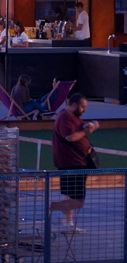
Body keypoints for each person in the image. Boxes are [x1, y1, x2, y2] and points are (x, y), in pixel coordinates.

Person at [53, 93, 99, 231]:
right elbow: (71, 137)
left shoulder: (73, 117)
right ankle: (55, 210)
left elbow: (79, 127)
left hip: (77, 161)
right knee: (78, 199)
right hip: (71, 162)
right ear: (73, 105)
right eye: (82, 107)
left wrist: (90, 126)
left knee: (72, 194)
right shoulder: (65, 117)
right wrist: (87, 131)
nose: (84, 110)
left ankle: (67, 222)